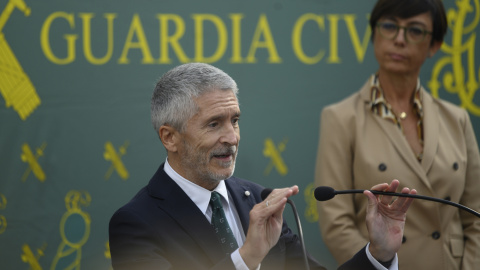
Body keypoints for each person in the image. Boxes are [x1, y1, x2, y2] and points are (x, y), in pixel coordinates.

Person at [109, 62, 417, 270]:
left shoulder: (258, 200)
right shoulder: (135, 224)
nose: (231, 138)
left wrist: (379, 253)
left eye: (235, 121)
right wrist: (246, 258)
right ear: (170, 137)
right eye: (214, 124)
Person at [315, 0, 480, 269]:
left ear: (434, 45)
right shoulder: (341, 118)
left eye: (415, 30)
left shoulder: (457, 119)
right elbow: (336, 224)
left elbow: (476, 216)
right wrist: (380, 264)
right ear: (374, 34)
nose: (399, 39)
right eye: (390, 26)